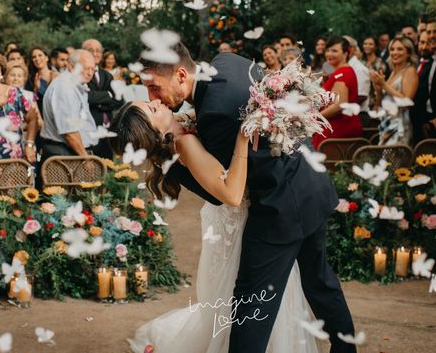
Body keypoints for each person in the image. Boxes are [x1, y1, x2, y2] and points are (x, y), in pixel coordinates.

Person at [125, 43, 356, 353]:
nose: (153, 97)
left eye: (154, 87)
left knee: (251, 304)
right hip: (311, 178)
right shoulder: (228, 62)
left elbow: (227, 192)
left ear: (180, 75)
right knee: (319, 281)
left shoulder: (214, 115)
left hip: (281, 205)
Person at [40, 50, 98, 160]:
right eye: (85, 68)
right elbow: (69, 132)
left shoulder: (73, 84)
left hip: (70, 151)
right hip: (64, 152)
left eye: (93, 69)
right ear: (72, 67)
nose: (90, 73)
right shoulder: (65, 87)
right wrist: (85, 158)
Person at [313, 38, 363, 149]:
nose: (329, 54)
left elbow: (339, 105)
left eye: (334, 51)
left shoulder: (343, 72)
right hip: (336, 128)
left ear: (346, 53)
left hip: (338, 131)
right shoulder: (340, 72)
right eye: (328, 50)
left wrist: (314, 118)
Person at [370, 37, 419, 145]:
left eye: (400, 49)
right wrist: (378, 90)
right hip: (386, 123)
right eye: (392, 49)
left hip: (400, 126)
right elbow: (379, 105)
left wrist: (383, 84)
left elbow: (407, 102)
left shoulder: (410, 71)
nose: (395, 52)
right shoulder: (392, 73)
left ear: (408, 53)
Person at [82, 38, 122, 158]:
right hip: (89, 130)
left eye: (98, 51)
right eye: (91, 50)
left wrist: (98, 102)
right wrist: (108, 95)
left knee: (108, 167)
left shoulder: (107, 75)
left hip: (107, 129)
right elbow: (85, 97)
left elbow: (119, 99)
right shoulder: (80, 73)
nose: (95, 54)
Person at [26, 47, 59, 114]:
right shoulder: (31, 80)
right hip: (41, 115)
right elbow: (29, 103)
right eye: (34, 57)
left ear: (46, 58)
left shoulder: (57, 76)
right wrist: (36, 89)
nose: (37, 59)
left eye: (40, 55)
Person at [343, 36, 370, 111]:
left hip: (358, 115)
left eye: (343, 46)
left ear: (352, 49)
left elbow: (362, 96)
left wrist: (338, 106)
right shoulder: (344, 66)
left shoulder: (359, 68)